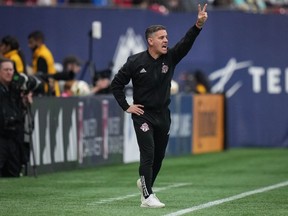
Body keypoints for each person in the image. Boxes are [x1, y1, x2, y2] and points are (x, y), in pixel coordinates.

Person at [111, 4, 208, 208]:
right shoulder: (135, 62)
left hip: (163, 114)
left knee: (159, 156)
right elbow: (116, 84)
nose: (166, 40)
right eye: (162, 37)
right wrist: (126, 106)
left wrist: (198, 25)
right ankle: (147, 197)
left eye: (166, 37)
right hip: (143, 115)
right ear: (150, 41)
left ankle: (145, 184)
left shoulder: (170, 58)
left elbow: (186, 43)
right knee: (148, 153)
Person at [0, 58, 31, 177]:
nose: (9, 73)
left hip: (14, 137)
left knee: (14, 173)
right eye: (5, 70)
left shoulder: (16, 88)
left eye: (11, 70)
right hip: (1, 136)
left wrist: (24, 101)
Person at [28, 30, 60, 96]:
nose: (29, 46)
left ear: (39, 41)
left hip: (46, 93)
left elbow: (41, 76)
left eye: (31, 42)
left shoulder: (42, 56)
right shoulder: (42, 53)